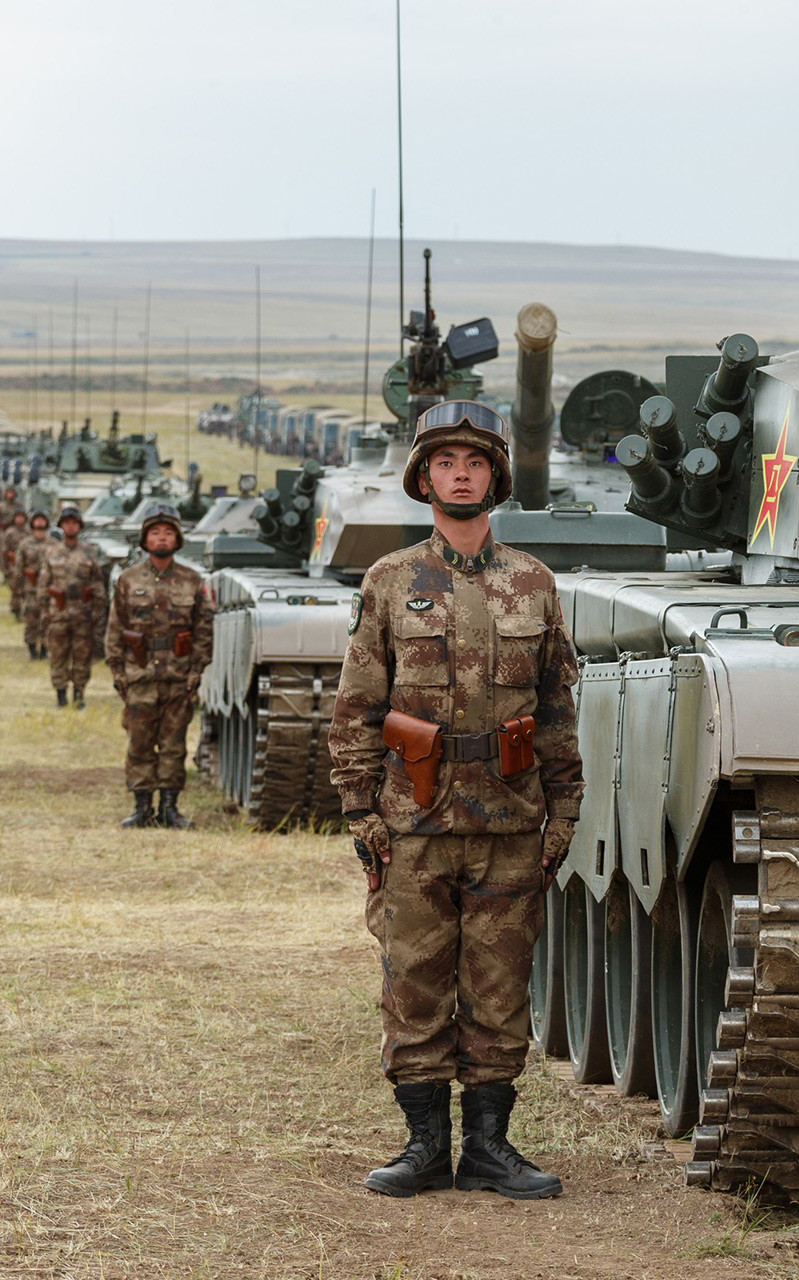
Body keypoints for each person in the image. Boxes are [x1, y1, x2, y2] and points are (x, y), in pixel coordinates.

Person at [328, 400, 583, 1201]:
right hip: (416, 822)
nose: (461, 472)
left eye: (474, 462)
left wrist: (565, 815)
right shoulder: (391, 581)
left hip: (510, 823)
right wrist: (361, 810)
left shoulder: (533, 584)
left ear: (495, 478)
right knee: (414, 982)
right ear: (424, 478)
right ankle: (424, 1146)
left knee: (501, 989)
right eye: (445, 462)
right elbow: (357, 704)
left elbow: (558, 710)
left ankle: (490, 1149)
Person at [105, 503, 213, 829]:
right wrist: (118, 672)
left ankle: (169, 808)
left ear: (177, 539)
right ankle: (141, 808)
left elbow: (203, 631)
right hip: (139, 676)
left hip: (178, 677)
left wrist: (195, 672)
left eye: (167, 533)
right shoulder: (128, 580)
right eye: (155, 533)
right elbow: (114, 629)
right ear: (145, 539)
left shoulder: (192, 581)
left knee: (173, 744)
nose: (161, 538)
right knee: (139, 743)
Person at [36, 505, 103, 708]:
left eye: (74, 523)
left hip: (83, 614)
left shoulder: (89, 553)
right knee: (58, 656)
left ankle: (79, 695)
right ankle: (61, 696)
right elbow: (43, 585)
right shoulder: (52, 552)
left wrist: (96, 612)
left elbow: (98, 585)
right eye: (67, 523)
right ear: (61, 526)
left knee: (82, 657)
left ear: (79, 526)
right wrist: (45, 611)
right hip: (58, 613)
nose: (70, 527)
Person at [16, 511, 52, 660]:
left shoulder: (53, 544)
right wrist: (18, 589)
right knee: (31, 621)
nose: (39, 525)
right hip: (30, 589)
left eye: (42, 522)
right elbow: (19, 567)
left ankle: (44, 650)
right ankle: (32, 650)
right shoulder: (25, 544)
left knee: (47, 621)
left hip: (48, 592)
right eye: (37, 522)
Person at [0, 508, 31, 616]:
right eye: (17, 517)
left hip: (26, 564)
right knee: (15, 586)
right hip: (13, 564)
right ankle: (15, 607)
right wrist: (6, 567)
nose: (20, 519)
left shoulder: (29, 532)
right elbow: (5, 550)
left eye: (22, 517)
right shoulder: (10, 532)